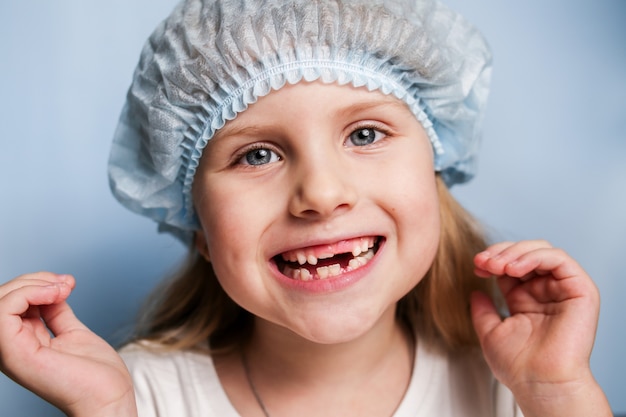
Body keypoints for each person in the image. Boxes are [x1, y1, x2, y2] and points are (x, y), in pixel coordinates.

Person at [0, 0, 612, 416]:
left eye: (365, 135)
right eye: (257, 154)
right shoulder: (140, 396)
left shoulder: (516, 386)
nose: (321, 194)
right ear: (199, 228)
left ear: (434, 174)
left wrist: (558, 392)